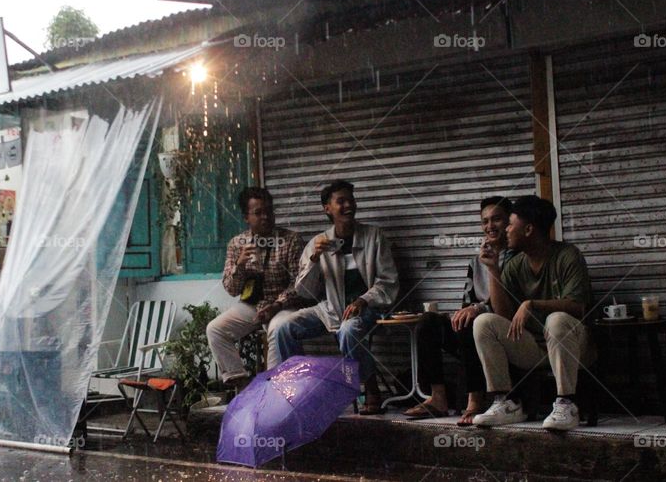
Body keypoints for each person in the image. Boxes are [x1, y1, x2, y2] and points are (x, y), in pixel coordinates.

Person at [274, 180, 399, 415]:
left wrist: (363, 300)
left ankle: (370, 388)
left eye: (351, 200)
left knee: (349, 330)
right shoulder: (317, 243)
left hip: (367, 308)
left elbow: (388, 281)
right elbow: (303, 291)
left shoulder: (374, 237)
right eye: (340, 201)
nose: (348, 205)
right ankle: (297, 391)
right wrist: (313, 259)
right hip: (331, 308)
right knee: (284, 328)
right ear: (327, 209)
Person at [471, 195, 595, 431]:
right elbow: (504, 315)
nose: (505, 230)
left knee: (556, 319)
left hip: (575, 348)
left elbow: (578, 306)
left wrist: (532, 304)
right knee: (484, 322)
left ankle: (566, 404)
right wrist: (493, 269)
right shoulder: (516, 264)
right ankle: (505, 403)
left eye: (510, 224)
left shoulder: (567, 255)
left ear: (528, 229)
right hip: (535, 348)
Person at [404, 196, 516, 425]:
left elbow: (510, 307)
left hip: (501, 331)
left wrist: (477, 309)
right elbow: (468, 300)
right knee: (428, 322)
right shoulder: (477, 260)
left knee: (472, 323)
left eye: (497, 219)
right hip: (475, 326)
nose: (490, 226)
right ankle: (438, 398)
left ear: (509, 222)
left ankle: (475, 400)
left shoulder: (518, 257)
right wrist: (458, 314)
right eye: (485, 221)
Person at [207, 187, 305, 388]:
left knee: (277, 328)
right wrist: (240, 265)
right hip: (252, 305)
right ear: (246, 217)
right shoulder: (237, 244)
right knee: (215, 329)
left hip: (282, 305)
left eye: (269, 211)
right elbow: (231, 289)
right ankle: (241, 383)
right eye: (258, 213)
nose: (266, 217)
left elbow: (300, 283)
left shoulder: (291, 240)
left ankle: (274, 387)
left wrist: (277, 305)